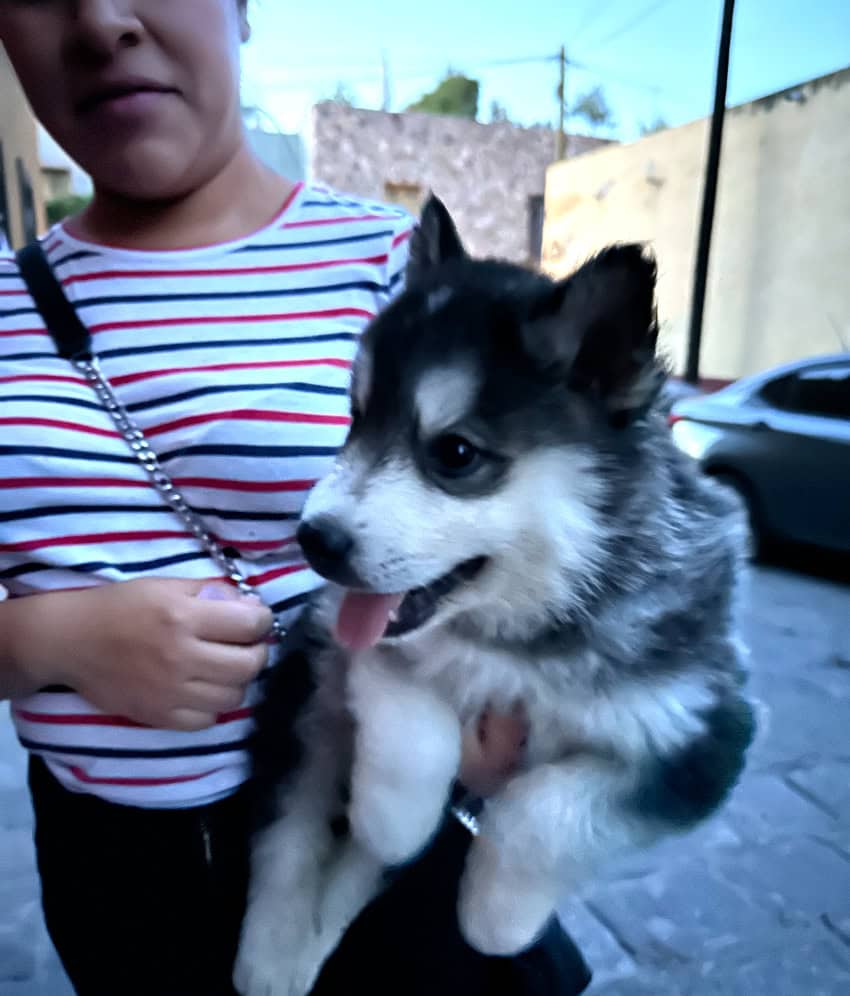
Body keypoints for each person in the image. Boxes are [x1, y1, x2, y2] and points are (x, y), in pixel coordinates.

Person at [0, 3, 590, 995]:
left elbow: (578, 528)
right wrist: (46, 643)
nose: (101, 22)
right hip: (112, 867)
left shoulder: (406, 271)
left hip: (370, 837)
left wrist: (514, 715)